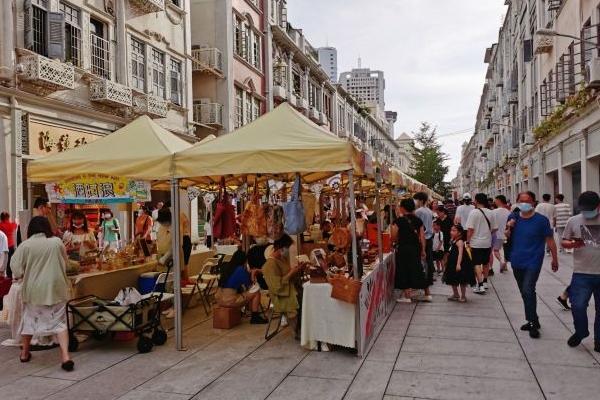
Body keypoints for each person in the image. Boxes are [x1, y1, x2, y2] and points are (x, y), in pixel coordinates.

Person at [10, 216, 74, 371]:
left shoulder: (25, 245)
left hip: (34, 291)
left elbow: (16, 268)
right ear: (47, 227)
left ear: (30, 229)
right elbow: (67, 265)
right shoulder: (56, 242)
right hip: (56, 290)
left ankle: (25, 353)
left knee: (30, 321)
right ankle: (65, 357)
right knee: (60, 323)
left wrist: (24, 273)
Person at [506, 191, 559, 339]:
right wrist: (509, 227)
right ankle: (533, 318)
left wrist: (555, 259)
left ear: (533, 203)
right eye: (521, 200)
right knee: (524, 292)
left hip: (534, 260)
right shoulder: (514, 217)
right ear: (517, 202)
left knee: (528, 290)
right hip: (517, 260)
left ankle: (532, 323)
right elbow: (506, 235)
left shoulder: (541, 220)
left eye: (527, 201)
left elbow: (550, 240)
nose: (524, 203)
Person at [560, 191, 600, 353]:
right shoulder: (574, 220)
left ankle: (599, 341)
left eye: (590, 209)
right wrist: (571, 245)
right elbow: (564, 241)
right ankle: (581, 331)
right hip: (582, 273)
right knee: (577, 305)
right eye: (583, 209)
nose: (586, 212)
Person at [262, 234, 303, 337]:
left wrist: (298, 270)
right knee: (297, 303)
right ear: (281, 248)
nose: (288, 250)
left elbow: (288, 275)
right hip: (281, 295)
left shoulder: (282, 259)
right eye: (287, 248)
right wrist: (291, 273)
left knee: (307, 299)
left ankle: (305, 329)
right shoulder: (269, 265)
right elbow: (277, 287)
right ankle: (298, 332)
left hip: (289, 289)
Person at [215, 250, 268, 324]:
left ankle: (247, 311)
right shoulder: (240, 269)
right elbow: (249, 284)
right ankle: (255, 316)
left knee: (244, 292)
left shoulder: (225, 266)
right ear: (243, 260)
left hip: (219, 298)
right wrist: (252, 274)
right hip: (230, 300)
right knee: (256, 291)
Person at [391, 198, 427, 303]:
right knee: (416, 268)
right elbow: (422, 237)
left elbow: (393, 235)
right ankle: (421, 293)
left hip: (403, 248)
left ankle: (407, 296)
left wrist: (394, 241)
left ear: (402, 208)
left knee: (403, 270)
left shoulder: (399, 220)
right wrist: (423, 250)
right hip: (415, 248)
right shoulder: (418, 220)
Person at [465, 193, 497, 294]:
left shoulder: (473, 213)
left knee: (477, 263)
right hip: (487, 242)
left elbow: (470, 229)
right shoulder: (491, 212)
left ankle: (480, 285)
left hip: (476, 243)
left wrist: (468, 241)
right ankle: (485, 281)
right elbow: (495, 228)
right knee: (486, 262)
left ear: (477, 201)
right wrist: (487, 233)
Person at [443, 224, 476, 302]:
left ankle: (463, 296)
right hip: (452, 261)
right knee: (452, 278)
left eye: (454, 231)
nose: (451, 232)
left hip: (461, 262)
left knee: (462, 279)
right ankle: (456, 294)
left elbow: (460, 253)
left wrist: (458, 264)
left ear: (460, 233)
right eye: (451, 230)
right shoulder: (454, 239)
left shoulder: (460, 241)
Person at [414, 192, 434, 298]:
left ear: (421, 200)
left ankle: (422, 283)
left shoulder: (418, 211)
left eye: (416, 200)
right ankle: (428, 281)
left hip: (422, 239)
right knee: (428, 261)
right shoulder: (429, 211)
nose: (415, 202)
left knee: (421, 262)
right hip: (429, 238)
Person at [492, 195, 511, 272]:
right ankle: (505, 265)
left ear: (499, 200)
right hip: (506, 235)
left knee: (496, 250)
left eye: (495, 200)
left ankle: (501, 261)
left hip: (497, 235)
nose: (494, 202)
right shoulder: (509, 212)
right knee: (506, 250)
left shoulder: (493, 212)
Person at [0, 212, 18, 277]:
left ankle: (2, 276)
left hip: (2, 247)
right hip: (11, 246)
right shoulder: (11, 225)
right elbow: (16, 225)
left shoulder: (0, 225)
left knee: (2, 262)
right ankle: (9, 276)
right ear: (8, 217)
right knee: (9, 262)